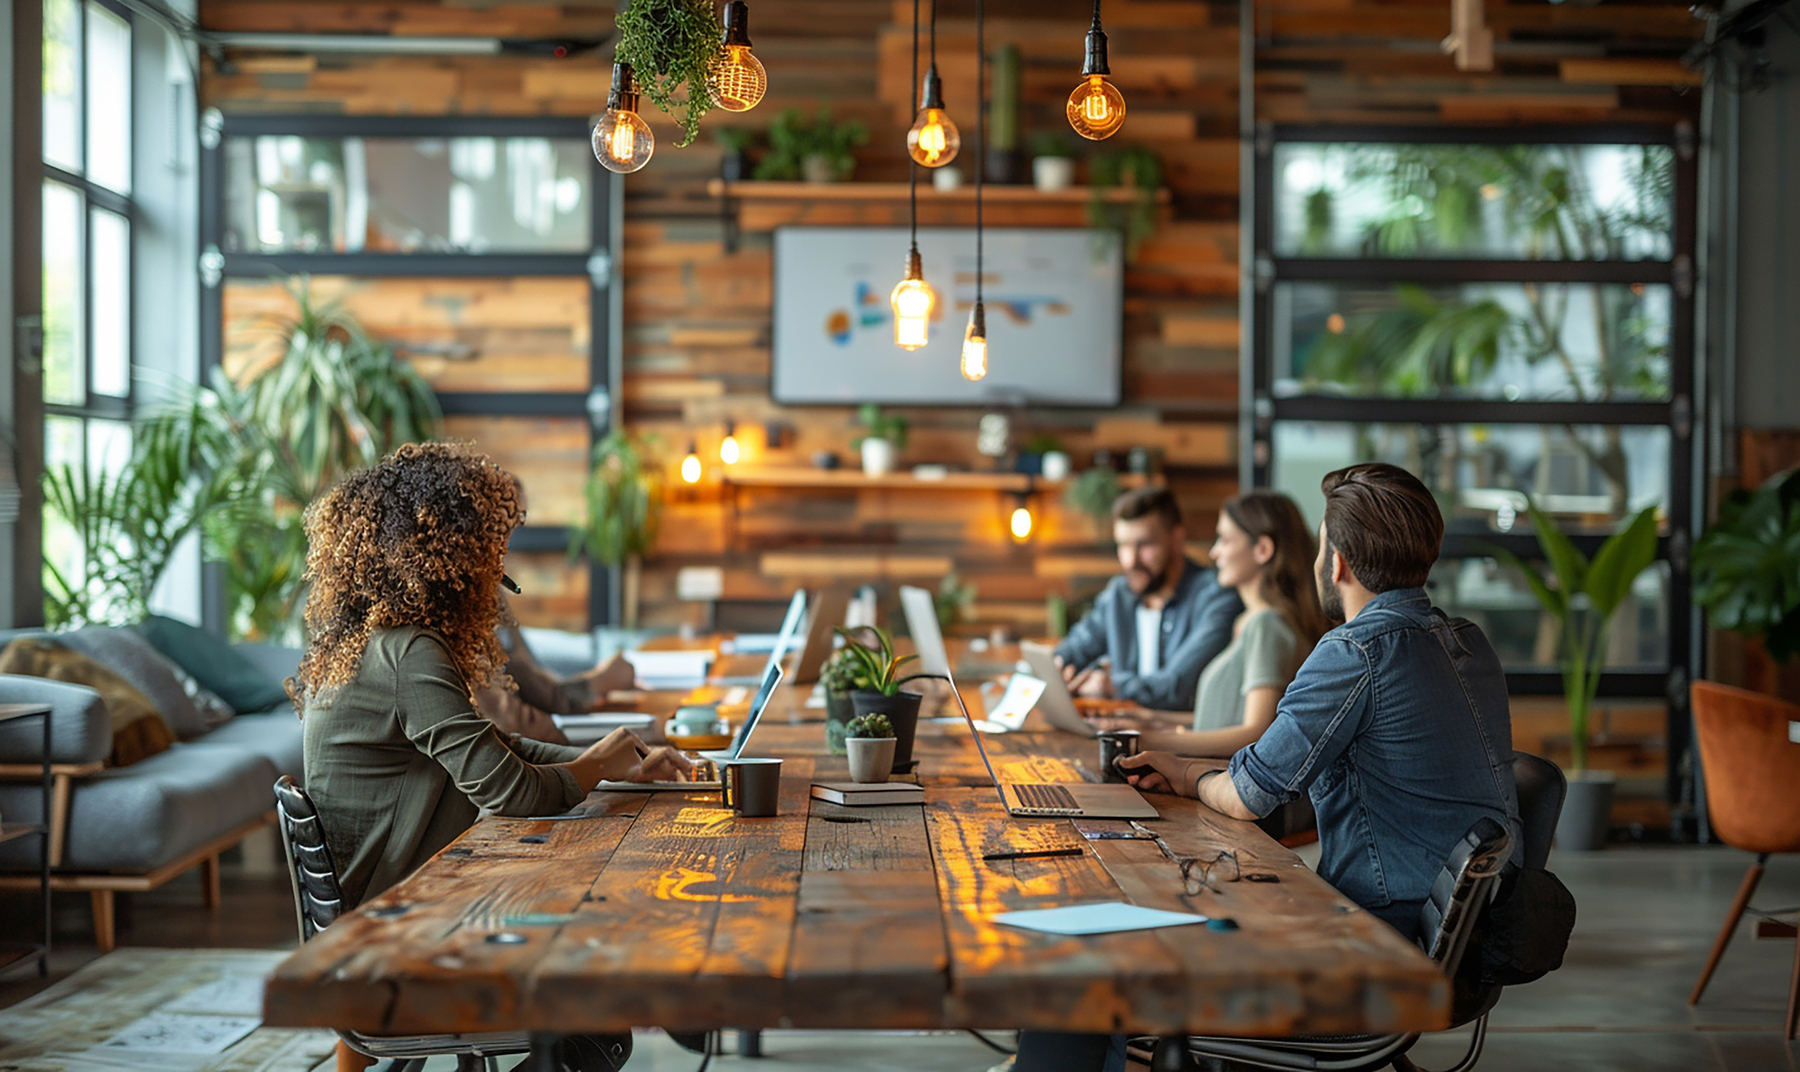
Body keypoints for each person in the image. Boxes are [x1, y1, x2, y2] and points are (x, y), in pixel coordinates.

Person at [1017, 464, 1522, 1072]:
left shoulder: (1354, 651)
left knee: (1087, 955)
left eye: (1319, 547)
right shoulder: (1468, 641)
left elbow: (1249, 794)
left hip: (1373, 946)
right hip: (1463, 945)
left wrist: (1187, 777)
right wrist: (1186, 770)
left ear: (1336, 562)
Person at [292, 443, 691, 1072]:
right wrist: (589, 769)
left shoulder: (369, 642)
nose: (498, 571)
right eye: (489, 552)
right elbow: (510, 791)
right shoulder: (411, 653)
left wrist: (604, 759)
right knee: (596, 1020)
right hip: (400, 925)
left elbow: (490, 748)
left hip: (371, 914)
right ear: (450, 556)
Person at [1087, 490, 1329, 759]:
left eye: (1224, 540)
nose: (1214, 553)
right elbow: (1220, 722)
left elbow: (1257, 734)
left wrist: (1146, 739)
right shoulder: (1248, 622)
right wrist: (1149, 717)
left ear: (1262, 549)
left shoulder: (1267, 624)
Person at [1052, 485, 1243, 712]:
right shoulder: (1119, 594)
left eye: (1144, 545)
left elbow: (1177, 687)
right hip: (1121, 730)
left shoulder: (1215, 597)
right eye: (1123, 545)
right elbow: (1076, 648)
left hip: (1182, 740)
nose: (1130, 560)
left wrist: (1112, 684)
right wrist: (1058, 666)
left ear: (1176, 539)